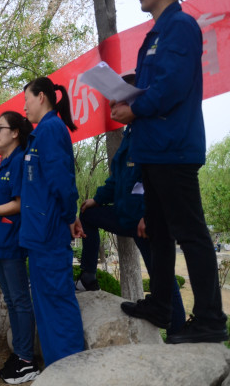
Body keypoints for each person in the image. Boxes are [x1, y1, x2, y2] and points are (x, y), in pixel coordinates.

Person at [111, 0, 228, 343]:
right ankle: (161, 304)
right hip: (152, 150)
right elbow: (154, 85)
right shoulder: (158, 32)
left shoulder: (179, 26)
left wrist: (134, 108)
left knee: (190, 233)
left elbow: (172, 87)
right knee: (158, 231)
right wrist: (127, 97)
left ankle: (210, 319)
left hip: (173, 149)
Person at [76, 76, 186, 336]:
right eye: (110, 105)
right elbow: (117, 179)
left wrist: (150, 215)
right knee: (88, 215)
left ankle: (179, 332)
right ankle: (88, 276)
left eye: (116, 104)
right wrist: (97, 199)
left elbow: (162, 180)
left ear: (134, 101)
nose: (112, 110)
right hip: (126, 215)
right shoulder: (130, 134)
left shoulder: (153, 130)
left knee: (161, 274)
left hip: (147, 220)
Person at [20, 77, 85, 365]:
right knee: (45, 303)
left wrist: (70, 216)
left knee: (57, 300)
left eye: (27, 100)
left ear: (42, 97)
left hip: (50, 232)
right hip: (38, 234)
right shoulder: (42, 132)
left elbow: (62, 182)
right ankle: (55, 367)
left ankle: (69, 369)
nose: (24, 108)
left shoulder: (51, 130)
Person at [0, 112, 39, 384]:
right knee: (11, 300)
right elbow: (3, 198)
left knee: (20, 299)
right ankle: (20, 354)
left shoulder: (20, 160)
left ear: (14, 133)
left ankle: (26, 359)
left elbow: (19, 203)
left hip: (12, 238)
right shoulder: (3, 164)